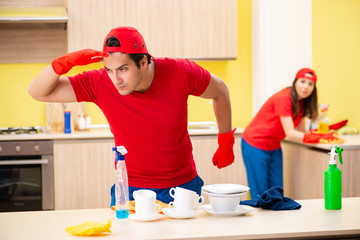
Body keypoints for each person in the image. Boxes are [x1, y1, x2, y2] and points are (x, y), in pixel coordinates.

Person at [27, 26, 236, 205]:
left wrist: (225, 140)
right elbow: (37, 91)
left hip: (182, 189)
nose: (116, 79)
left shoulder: (180, 72)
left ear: (143, 62)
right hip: (130, 190)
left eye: (123, 69)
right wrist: (63, 63)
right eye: (109, 70)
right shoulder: (99, 82)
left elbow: (221, 91)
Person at [241, 68, 342, 200]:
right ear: (295, 82)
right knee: (260, 193)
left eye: (310, 84)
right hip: (255, 144)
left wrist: (321, 134)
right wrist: (319, 138)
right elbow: (290, 133)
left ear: (314, 89)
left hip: (274, 145)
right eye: (303, 81)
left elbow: (301, 133)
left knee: (277, 191)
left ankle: (275, 220)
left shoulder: (303, 103)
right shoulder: (283, 98)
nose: (306, 86)